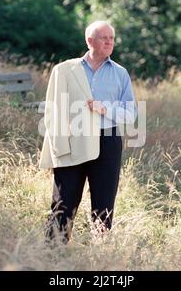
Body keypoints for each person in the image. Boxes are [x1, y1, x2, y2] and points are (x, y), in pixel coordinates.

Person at [39, 20, 137, 243]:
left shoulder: (120, 74)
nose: (110, 42)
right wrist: (57, 145)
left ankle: (100, 256)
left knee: (104, 203)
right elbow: (53, 111)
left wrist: (105, 109)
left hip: (108, 140)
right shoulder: (65, 70)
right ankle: (51, 256)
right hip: (74, 139)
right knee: (63, 201)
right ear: (89, 41)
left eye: (112, 38)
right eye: (104, 38)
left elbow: (130, 113)